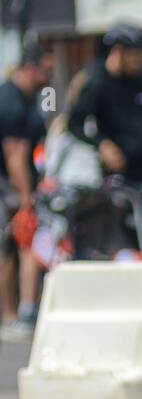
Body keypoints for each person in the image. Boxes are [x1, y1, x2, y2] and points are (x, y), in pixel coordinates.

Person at [68, 24, 142, 190]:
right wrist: (102, 144)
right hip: (113, 171)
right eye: (134, 55)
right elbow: (74, 124)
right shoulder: (96, 83)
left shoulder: (141, 80)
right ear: (118, 52)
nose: (139, 60)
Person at [0, 42, 53, 341]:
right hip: (9, 186)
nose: (49, 75)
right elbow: (15, 156)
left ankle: (19, 312)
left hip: (23, 184)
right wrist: (25, 199)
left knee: (18, 247)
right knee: (16, 246)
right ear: (30, 68)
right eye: (46, 69)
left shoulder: (33, 98)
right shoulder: (10, 100)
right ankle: (13, 314)